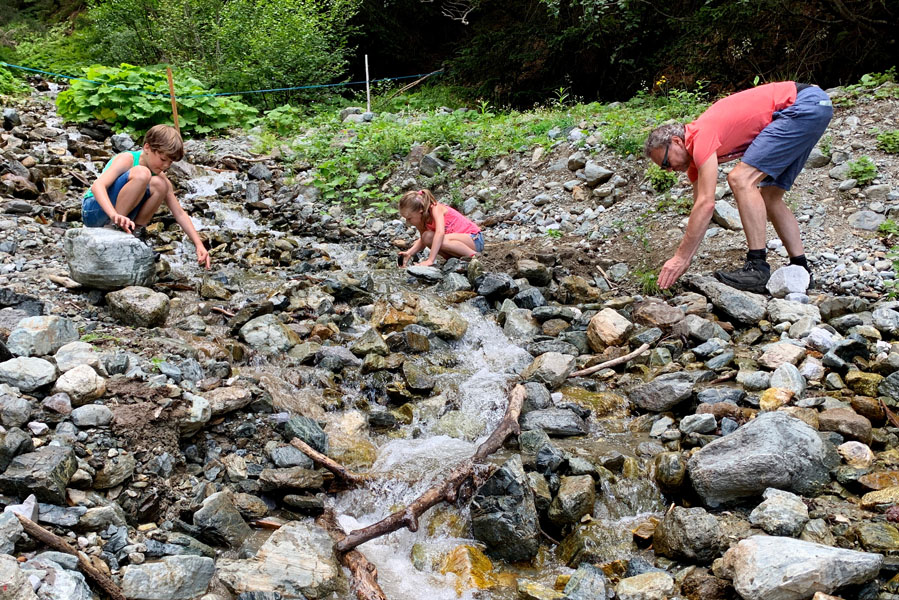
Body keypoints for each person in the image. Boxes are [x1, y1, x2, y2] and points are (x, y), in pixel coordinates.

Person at [644, 81, 832, 292]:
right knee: (770, 197)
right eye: (664, 169)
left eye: (667, 163)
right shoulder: (695, 163)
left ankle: (757, 267)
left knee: (741, 179)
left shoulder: (700, 134)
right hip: (815, 106)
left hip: (801, 105)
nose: (669, 170)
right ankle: (801, 268)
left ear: (678, 142)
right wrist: (684, 260)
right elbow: (701, 210)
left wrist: (679, 257)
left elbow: (706, 204)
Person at [82, 124, 211, 269]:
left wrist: (199, 245)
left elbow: (179, 213)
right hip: (95, 210)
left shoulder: (160, 175)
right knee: (142, 173)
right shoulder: (127, 159)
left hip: (121, 216)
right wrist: (113, 215)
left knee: (161, 184)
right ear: (147, 147)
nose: (166, 165)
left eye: (170, 162)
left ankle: (136, 234)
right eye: (163, 159)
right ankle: (115, 228)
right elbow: (98, 186)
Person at [398, 189, 484, 267]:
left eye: (409, 218)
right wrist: (409, 253)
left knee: (439, 239)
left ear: (420, 211)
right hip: (457, 245)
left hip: (474, 239)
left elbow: (440, 233)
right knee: (426, 237)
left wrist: (430, 260)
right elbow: (423, 241)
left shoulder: (436, 208)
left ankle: (475, 256)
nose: (408, 222)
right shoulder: (422, 219)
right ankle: (456, 260)